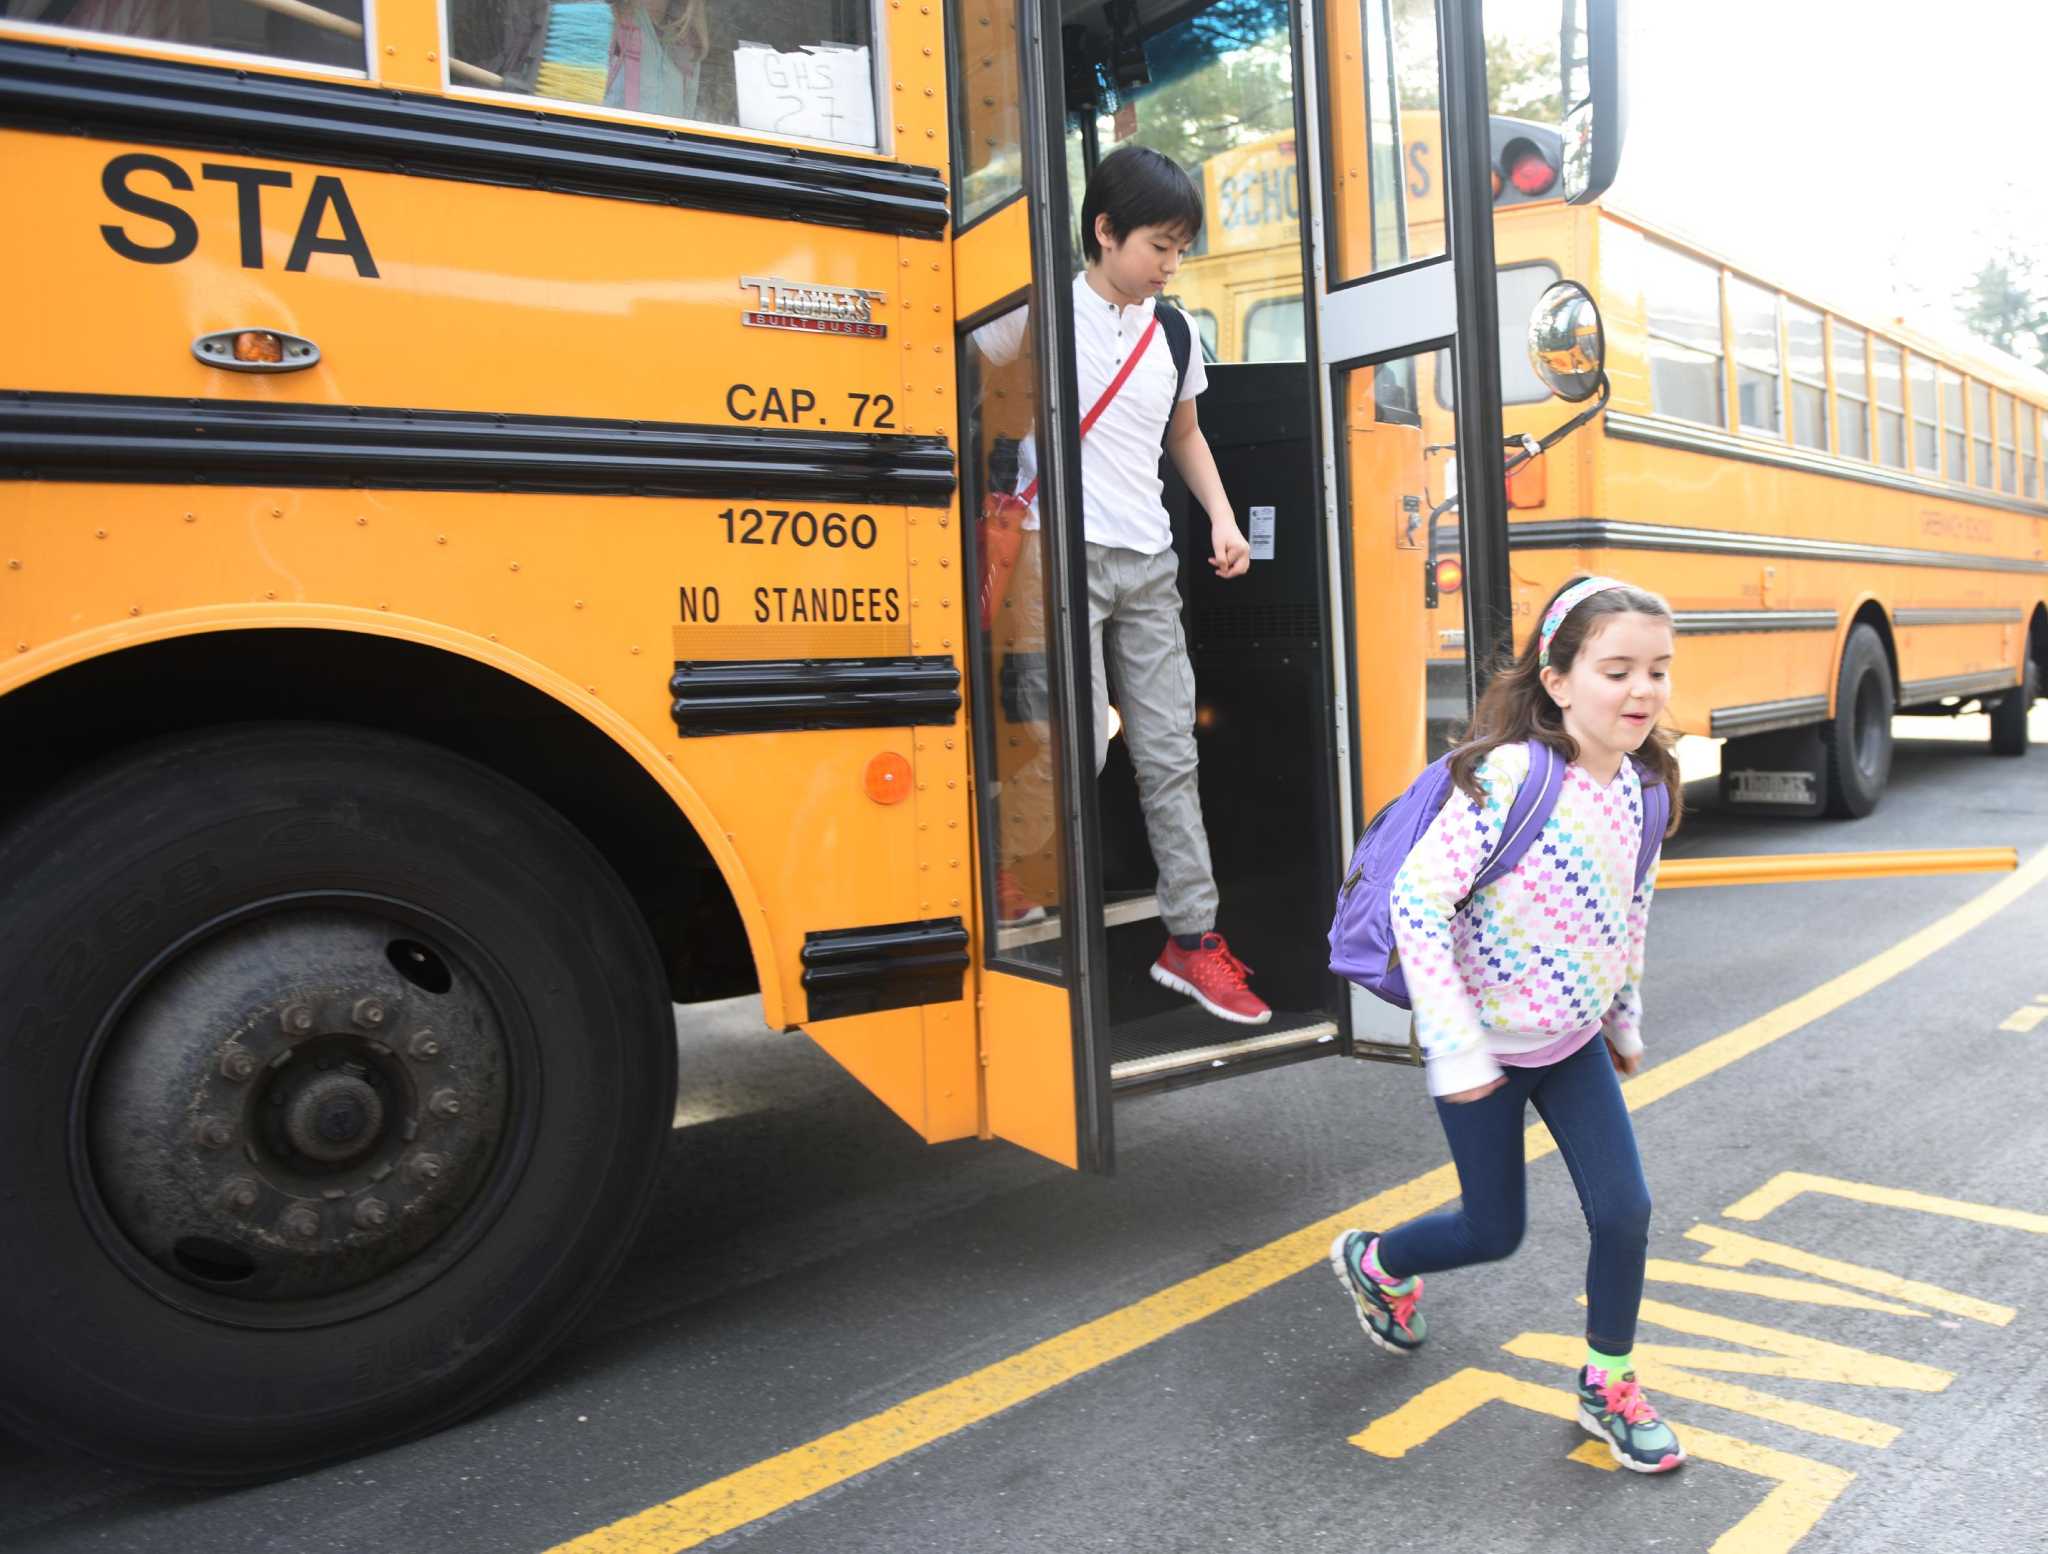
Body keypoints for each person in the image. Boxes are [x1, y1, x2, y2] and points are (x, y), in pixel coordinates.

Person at [1330, 576, 1688, 1474]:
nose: (1641, 691)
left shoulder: (1642, 791)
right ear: (1560, 681)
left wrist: (1622, 1018)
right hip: (1483, 1052)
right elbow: (1418, 900)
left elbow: (1631, 908)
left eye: (1657, 670)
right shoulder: (1511, 776)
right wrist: (1454, 1048)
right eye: (1616, 670)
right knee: (1494, 1231)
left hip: (1569, 1047)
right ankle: (1378, 1263)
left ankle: (1609, 1382)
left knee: (1627, 1212)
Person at [973, 145, 1268, 1025]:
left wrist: (1218, 516)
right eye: (1159, 245)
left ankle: (1193, 939)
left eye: (1181, 247)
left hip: (1147, 564)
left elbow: (1185, 433)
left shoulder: (1174, 331)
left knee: (1172, 753)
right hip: (1048, 554)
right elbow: (948, 366)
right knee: (1077, 742)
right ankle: (1011, 868)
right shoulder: (1031, 312)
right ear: (1104, 232)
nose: (1171, 264)